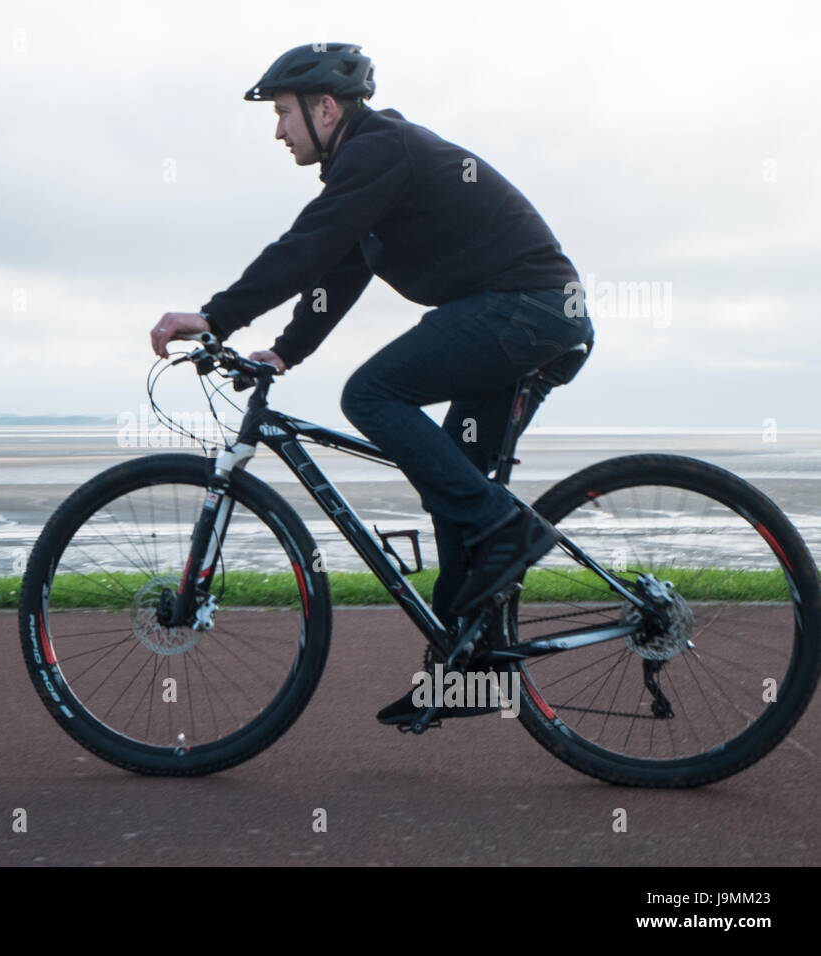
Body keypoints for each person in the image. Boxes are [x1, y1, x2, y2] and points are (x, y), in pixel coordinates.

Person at [149, 42, 594, 724]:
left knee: (371, 395)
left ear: (326, 108)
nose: (278, 131)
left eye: (283, 114)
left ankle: (508, 529)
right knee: (456, 486)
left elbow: (307, 245)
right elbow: (338, 271)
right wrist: (285, 351)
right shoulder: (374, 168)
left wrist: (217, 316)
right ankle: (471, 665)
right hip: (527, 320)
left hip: (524, 310)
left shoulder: (377, 148)